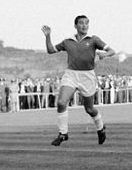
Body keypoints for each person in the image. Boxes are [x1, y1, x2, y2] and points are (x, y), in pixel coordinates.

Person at [42, 16, 116, 146]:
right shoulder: (68, 41)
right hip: (71, 74)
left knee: (89, 109)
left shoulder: (93, 39)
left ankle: (100, 128)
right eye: (81, 23)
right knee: (61, 102)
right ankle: (63, 133)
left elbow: (111, 51)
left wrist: (104, 54)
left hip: (87, 76)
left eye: (87, 23)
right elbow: (51, 50)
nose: (84, 26)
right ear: (75, 26)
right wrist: (48, 36)